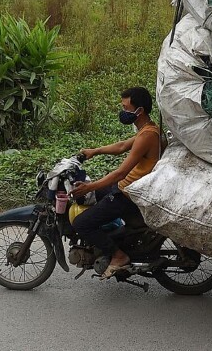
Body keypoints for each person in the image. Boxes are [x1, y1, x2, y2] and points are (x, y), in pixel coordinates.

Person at [70, 86, 162, 278]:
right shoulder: (148, 129)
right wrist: (94, 151)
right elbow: (121, 146)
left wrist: (90, 185)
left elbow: (120, 173)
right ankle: (112, 237)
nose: (123, 112)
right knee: (92, 195)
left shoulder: (147, 135)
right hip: (127, 187)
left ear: (140, 111)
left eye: (126, 108)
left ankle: (118, 256)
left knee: (81, 224)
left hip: (128, 193)